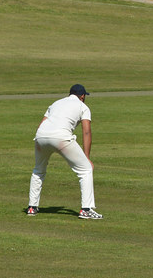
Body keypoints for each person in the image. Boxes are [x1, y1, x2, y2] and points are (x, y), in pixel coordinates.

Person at [26, 84, 103, 220]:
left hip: (40, 136)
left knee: (38, 170)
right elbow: (86, 131)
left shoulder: (56, 103)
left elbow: (42, 123)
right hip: (61, 138)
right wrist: (87, 157)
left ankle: (32, 207)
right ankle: (86, 209)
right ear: (82, 96)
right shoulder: (83, 106)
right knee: (85, 169)